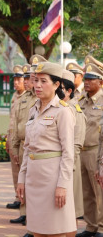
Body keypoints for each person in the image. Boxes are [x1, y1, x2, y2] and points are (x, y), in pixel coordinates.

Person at [17, 62, 76, 236]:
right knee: (37, 230)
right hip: (34, 179)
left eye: (43, 81)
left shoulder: (63, 112)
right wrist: (21, 178)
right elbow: (28, 149)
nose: (38, 85)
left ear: (57, 84)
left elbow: (68, 152)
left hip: (53, 179)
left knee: (56, 230)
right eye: (36, 81)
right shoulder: (33, 110)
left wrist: (62, 185)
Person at [77, 57, 103, 237]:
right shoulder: (82, 101)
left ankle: (101, 227)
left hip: (97, 152)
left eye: (90, 79)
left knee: (99, 193)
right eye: (85, 79)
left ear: (100, 82)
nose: (86, 82)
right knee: (87, 192)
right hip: (82, 152)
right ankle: (91, 226)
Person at [10, 65, 37, 231]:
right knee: (21, 182)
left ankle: (33, 219)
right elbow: (16, 123)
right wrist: (13, 146)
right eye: (25, 78)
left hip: (34, 146)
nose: (26, 82)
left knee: (32, 183)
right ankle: (24, 212)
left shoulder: (40, 97)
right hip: (21, 144)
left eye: (29, 78)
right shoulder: (23, 97)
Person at [62, 69, 86, 226]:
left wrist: (67, 167)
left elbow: (76, 144)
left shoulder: (73, 110)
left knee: (70, 212)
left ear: (69, 91)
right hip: (57, 166)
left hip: (69, 167)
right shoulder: (57, 108)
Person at [6, 65, 26, 210]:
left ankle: (24, 202)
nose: (16, 82)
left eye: (19, 79)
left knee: (23, 172)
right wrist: (8, 138)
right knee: (15, 171)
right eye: (15, 79)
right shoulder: (15, 96)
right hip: (13, 138)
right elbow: (12, 120)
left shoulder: (29, 97)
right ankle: (18, 198)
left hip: (23, 141)